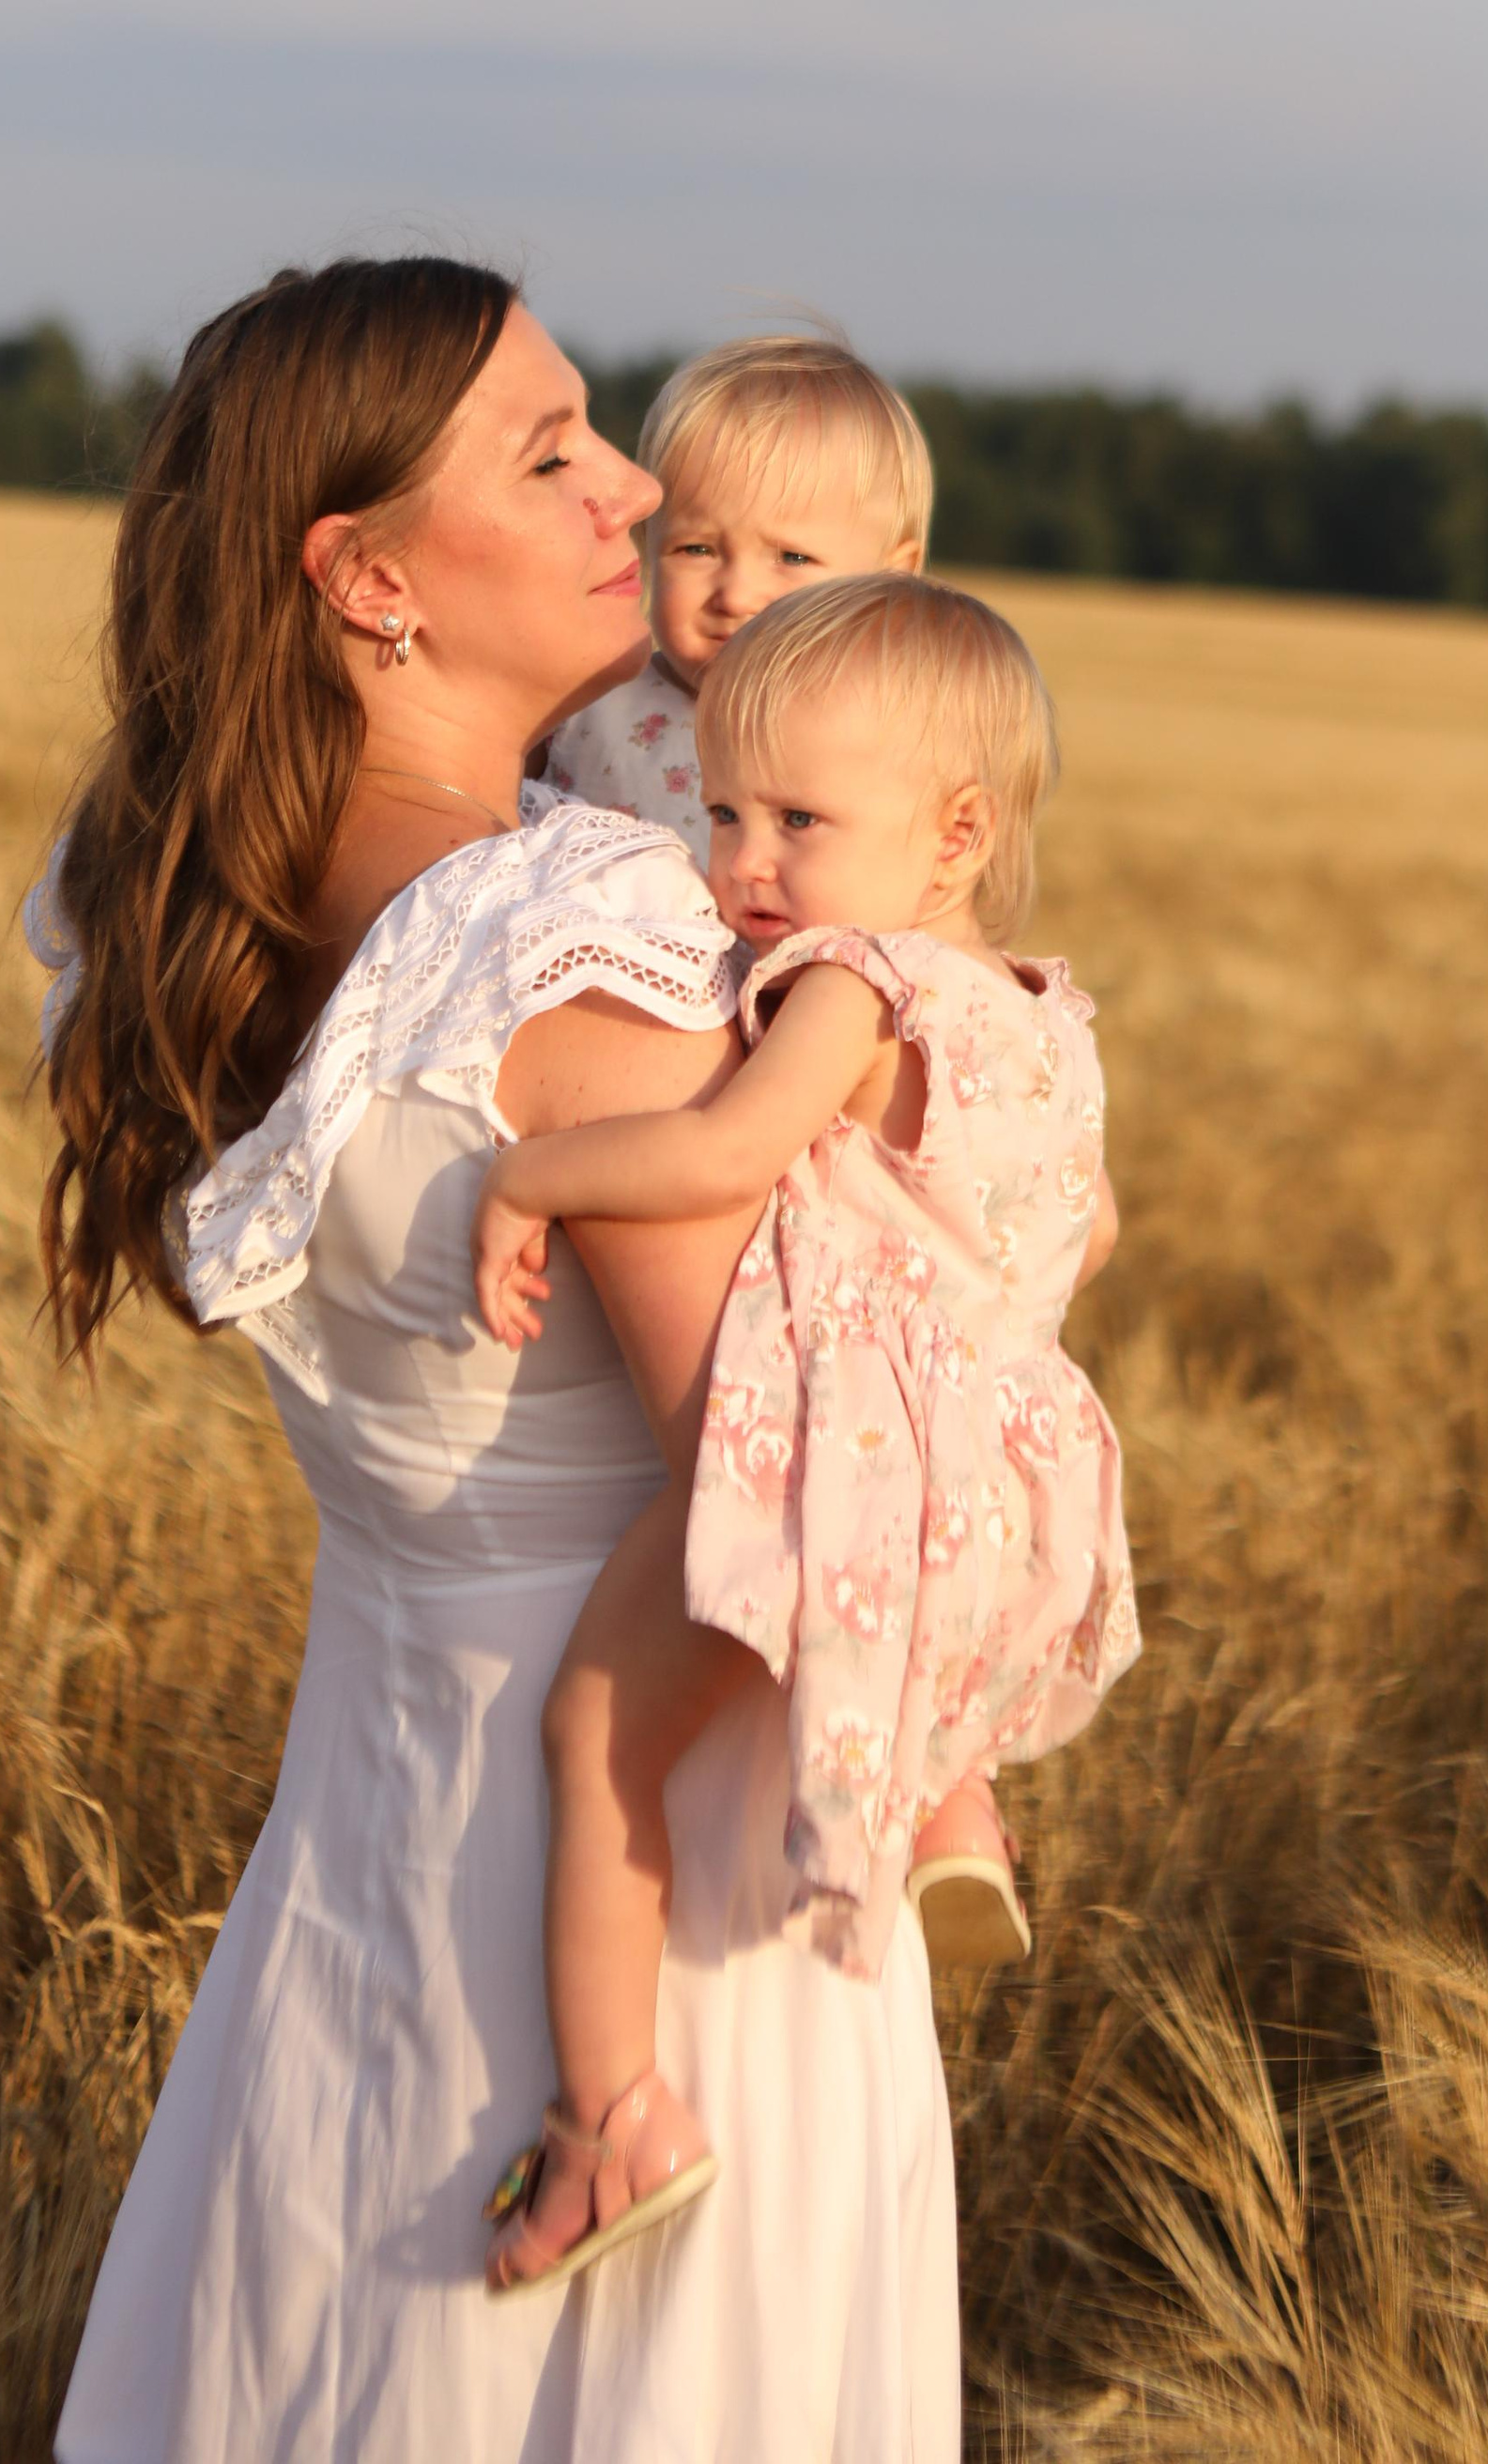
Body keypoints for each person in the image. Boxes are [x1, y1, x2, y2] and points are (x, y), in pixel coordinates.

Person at [37, 260, 960, 2464]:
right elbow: (790, 1478)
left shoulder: (170, 891)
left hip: (364, 1845)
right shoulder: (581, 935)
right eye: (550, 454)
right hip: (675, 1894)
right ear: (366, 580)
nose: (632, 488)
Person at [474, 573, 1140, 2291]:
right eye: (721, 814)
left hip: (846, 1464)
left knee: (596, 1733)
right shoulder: (1044, 1017)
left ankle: (609, 2126)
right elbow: (1091, 1236)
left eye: (798, 823)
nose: (742, 864)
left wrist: (532, 1173)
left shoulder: (854, 980)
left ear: (954, 835)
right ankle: (946, 1805)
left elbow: (717, 1154)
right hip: (1015, 1472)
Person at [543, 332, 932, 866]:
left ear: (892, 582)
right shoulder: (584, 705)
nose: (736, 595)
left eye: (792, 557)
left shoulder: (893, 746)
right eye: (696, 549)